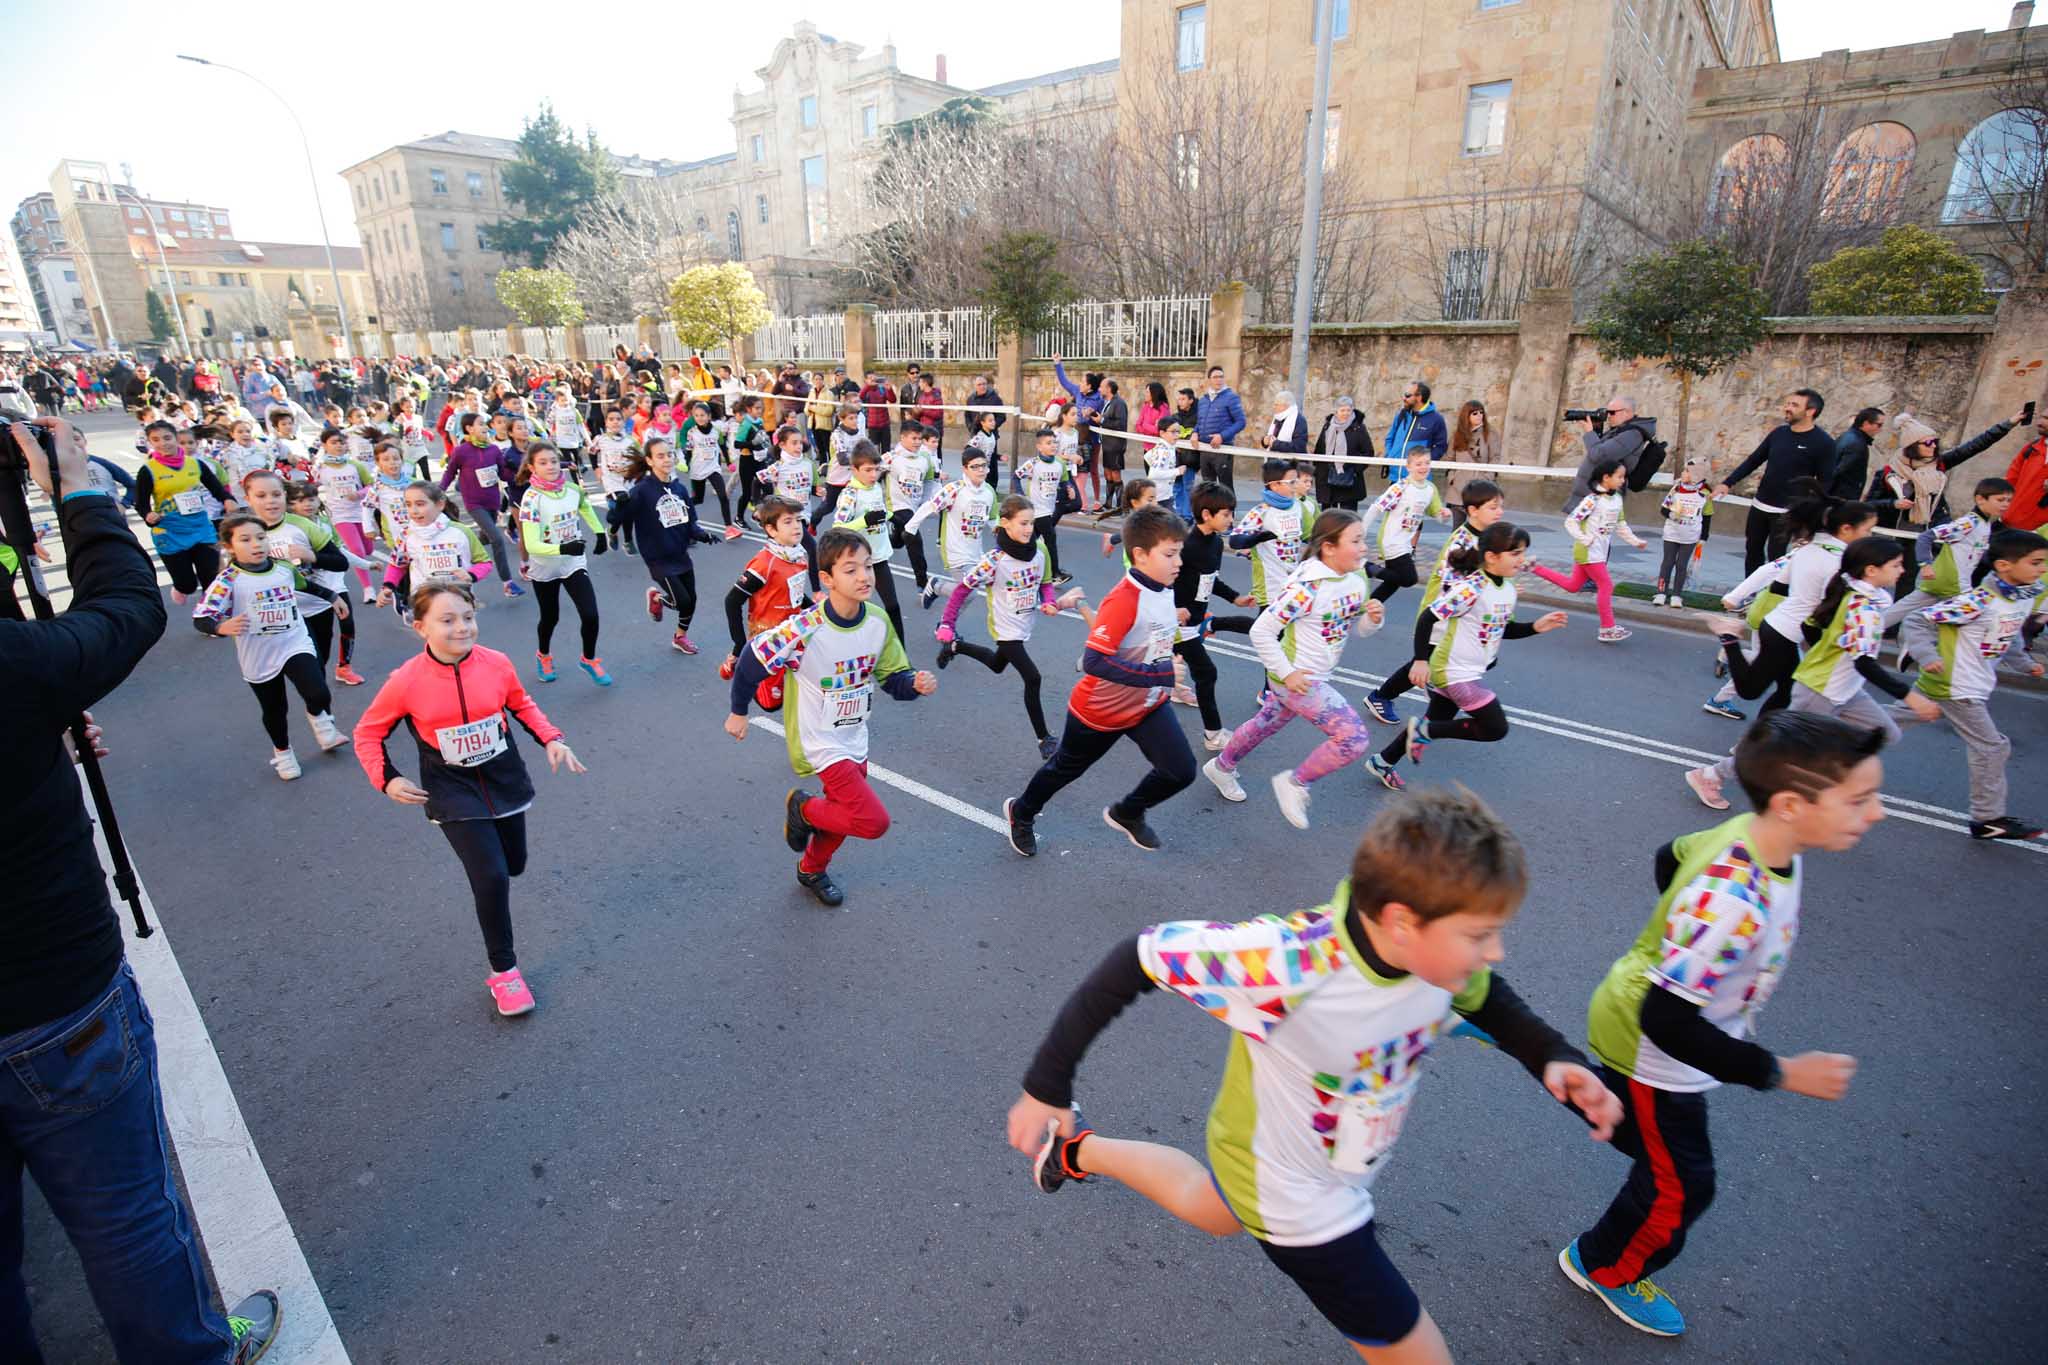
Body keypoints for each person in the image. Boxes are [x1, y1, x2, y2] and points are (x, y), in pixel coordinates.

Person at [1007, 788, 1621, 1364]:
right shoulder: (1290, 964)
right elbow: (1137, 959)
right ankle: (1073, 1141)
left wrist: (1551, 1054)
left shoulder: (1435, 957)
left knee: (1211, 1208)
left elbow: (1489, 999)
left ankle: (1076, 1152)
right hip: (1294, 1199)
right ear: (1403, 922)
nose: (1495, 952)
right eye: (1480, 936)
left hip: (1293, 1159)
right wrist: (1047, 1084)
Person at [2, 415, 282, 1365]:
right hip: (51, 995)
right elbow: (125, 606)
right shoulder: (14, 661)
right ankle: (195, 1353)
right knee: (127, 1217)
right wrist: (77, 489)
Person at [1565, 712, 1878, 1339]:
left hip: (1644, 1008)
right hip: (1655, 1047)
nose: (1876, 814)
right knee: (1683, 1185)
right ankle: (1604, 1266)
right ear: (1791, 804)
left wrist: (1680, 932)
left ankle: (1553, 1065)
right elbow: (1668, 1022)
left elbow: (1671, 855)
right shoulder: (1736, 901)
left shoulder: (1755, 832)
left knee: (1647, 1141)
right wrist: (1783, 1072)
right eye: (1861, 801)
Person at [354, 580, 586, 1017]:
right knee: (492, 877)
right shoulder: (406, 681)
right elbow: (368, 732)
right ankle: (505, 973)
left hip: (503, 781)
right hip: (451, 792)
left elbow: (521, 705)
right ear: (420, 627)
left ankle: (501, 895)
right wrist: (385, 779)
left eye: (467, 617)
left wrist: (553, 740)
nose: (462, 628)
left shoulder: (496, 663)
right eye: (447, 620)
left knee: (513, 864)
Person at [725, 527, 936, 907]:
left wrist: (913, 684)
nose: (864, 577)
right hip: (818, 741)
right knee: (872, 821)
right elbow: (750, 662)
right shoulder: (803, 628)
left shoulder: (876, 621)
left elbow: (891, 677)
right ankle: (803, 809)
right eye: (850, 569)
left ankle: (811, 869)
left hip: (854, 736)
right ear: (826, 578)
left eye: (868, 567)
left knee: (843, 814)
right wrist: (738, 712)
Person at [1003, 505, 1195, 857]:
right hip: (1099, 711)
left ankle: (1128, 811)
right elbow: (1094, 661)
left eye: (1179, 553)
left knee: (1181, 770)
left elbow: (1152, 640)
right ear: (1139, 555)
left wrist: (1175, 645)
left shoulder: (1164, 588)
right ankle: (1022, 811)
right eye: (1170, 554)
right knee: (1064, 769)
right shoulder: (1124, 599)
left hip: (1148, 705)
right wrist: (1160, 673)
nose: (1178, 561)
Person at [1201, 509, 1383, 826]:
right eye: (1355, 541)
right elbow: (1261, 631)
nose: (1363, 548)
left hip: (1308, 676)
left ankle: (1221, 766)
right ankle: (1295, 783)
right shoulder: (1306, 588)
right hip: (1296, 677)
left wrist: (1372, 620)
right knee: (1353, 739)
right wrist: (1287, 673)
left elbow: (1357, 629)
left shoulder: (1356, 580)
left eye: (1363, 540)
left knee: (1264, 724)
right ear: (1329, 547)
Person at [1890, 528, 2048, 840]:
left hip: (1965, 682)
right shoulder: (1978, 601)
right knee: (1992, 746)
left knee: (1890, 722)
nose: (2042, 569)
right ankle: (1987, 819)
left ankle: (1829, 744)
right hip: (1955, 684)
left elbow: (2011, 633)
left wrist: (2025, 664)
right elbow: (1918, 620)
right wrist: (1926, 654)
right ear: (2004, 566)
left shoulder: (2024, 595)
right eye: (2036, 562)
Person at [193, 512, 351, 780]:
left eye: (261, 537)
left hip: (293, 640)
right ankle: (283, 753)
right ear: (230, 547)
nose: (256, 544)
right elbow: (202, 617)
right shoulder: (228, 579)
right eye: (246, 540)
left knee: (318, 691)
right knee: (275, 709)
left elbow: (304, 585)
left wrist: (333, 596)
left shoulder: (283, 567)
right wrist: (220, 627)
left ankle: (319, 718)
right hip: (258, 651)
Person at [935, 494, 1086, 758]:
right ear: (1005, 523)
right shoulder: (993, 561)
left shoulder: (1040, 552)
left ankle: (956, 646)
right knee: (1033, 677)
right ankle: (1044, 739)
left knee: (996, 664)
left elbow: (1046, 583)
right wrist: (947, 623)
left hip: (1024, 622)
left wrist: (1049, 602)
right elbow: (961, 591)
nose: (1029, 529)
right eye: (1023, 523)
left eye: (1031, 524)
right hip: (1004, 628)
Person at [1360, 479, 1507, 726]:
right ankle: (1381, 696)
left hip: (1460, 618)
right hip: (1441, 618)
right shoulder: (1461, 544)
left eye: (1500, 506)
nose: (1500, 512)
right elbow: (1453, 590)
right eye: (1493, 507)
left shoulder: (1484, 539)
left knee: (1475, 660)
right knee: (1424, 661)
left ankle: (1432, 696)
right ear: (1473, 510)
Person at [1789, 536, 1936, 740]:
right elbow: (1865, 665)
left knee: (1887, 734)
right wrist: (1910, 698)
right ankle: (1730, 767)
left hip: (1846, 691)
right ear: (1871, 570)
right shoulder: (1863, 609)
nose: (1902, 571)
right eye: (1896, 565)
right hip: (1819, 692)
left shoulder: (1851, 591)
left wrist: (1824, 652)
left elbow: (1809, 626)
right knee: (1790, 752)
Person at [1865, 409, 2027, 586]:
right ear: (1911, 446)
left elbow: (1975, 445)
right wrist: (1893, 504)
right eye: (1927, 443)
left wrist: (2010, 422)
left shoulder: (1938, 465)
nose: (1933, 446)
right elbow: (1869, 505)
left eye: (1935, 442)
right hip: (1892, 535)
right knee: (1880, 580)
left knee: (1909, 583)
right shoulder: (1888, 474)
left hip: (1922, 535)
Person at [610, 437, 721, 655]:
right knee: (683, 601)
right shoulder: (642, 490)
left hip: (680, 553)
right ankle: (658, 598)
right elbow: (618, 518)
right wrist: (619, 506)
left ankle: (680, 637)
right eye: (660, 456)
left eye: (669, 454)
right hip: (658, 557)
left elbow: (690, 523)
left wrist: (703, 536)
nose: (667, 459)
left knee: (692, 601)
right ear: (649, 461)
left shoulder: (679, 488)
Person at [516, 442, 611, 686]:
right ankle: (543, 655)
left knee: (590, 614)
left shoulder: (571, 489)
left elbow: (585, 508)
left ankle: (589, 659)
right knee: (550, 618)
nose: (550, 466)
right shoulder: (531, 499)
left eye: (554, 461)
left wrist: (599, 532)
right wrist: (561, 548)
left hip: (573, 563)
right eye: (543, 462)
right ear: (531, 467)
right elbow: (532, 543)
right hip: (545, 568)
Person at [1713, 389, 1835, 575]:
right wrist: (1727, 483)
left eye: (1794, 405)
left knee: (1776, 558)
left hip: (1787, 512)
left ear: (1811, 411)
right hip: (1760, 504)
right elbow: (1754, 460)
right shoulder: (1779, 433)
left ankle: (1770, 598)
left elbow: (1825, 483)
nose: (1787, 408)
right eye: (1788, 403)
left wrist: (1810, 519)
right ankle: (1747, 595)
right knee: (1752, 551)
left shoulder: (1824, 443)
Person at [1530, 457, 1646, 643]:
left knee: (1573, 586)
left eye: (1623, 477)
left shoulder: (1616, 499)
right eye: (1619, 476)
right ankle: (1607, 629)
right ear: (1605, 478)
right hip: (1588, 552)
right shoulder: (1591, 501)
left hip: (1599, 551)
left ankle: (1533, 568)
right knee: (1606, 585)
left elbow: (1621, 524)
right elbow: (1570, 521)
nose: (1623, 480)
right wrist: (1585, 539)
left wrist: (1635, 541)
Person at [133, 419, 234, 603]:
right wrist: (148, 515)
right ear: (150, 443)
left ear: (175, 438)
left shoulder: (195, 464)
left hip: (201, 528)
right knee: (186, 584)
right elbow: (140, 503)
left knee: (210, 578)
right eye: (156, 440)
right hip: (170, 531)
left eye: (167, 437)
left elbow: (216, 488)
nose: (163, 443)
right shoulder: (148, 470)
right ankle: (181, 587)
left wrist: (228, 500)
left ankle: (210, 617)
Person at [720, 497, 813, 679]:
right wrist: (739, 644)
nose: (796, 526)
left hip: (793, 631)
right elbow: (732, 601)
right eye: (788, 522)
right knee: (769, 704)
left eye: (798, 520)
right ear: (771, 529)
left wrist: (816, 612)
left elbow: (795, 593)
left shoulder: (798, 555)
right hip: (767, 639)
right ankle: (737, 662)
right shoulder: (764, 564)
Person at [830, 443, 908, 644]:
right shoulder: (850, 495)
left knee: (893, 607)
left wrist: (895, 520)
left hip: (879, 558)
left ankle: (902, 656)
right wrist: (864, 521)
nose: (873, 475)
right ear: (854, 470)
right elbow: (838, 528)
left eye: (876, 469)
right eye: (867, 470)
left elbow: (879, 510)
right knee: (854, 610)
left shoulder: (875, 488)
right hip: (859, 563)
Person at [439, 413, 522, 597]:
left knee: (484, 538)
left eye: (486, 424)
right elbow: (449, 473)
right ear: (469, 429)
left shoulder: (493, 450)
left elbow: (503, 475)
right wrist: (438, 492)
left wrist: (521, 476)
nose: (485, 427)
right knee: (497, 539)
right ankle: (508, 584)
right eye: (481, 424)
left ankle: (468, 549)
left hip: (493, 502)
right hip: (474, 503)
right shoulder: (461, 451)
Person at [906, 445, 998, 610]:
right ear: (965, 469)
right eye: (974, 466)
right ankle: (941, 607)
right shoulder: (954, 489)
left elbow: (993, 520)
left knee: (965, 595)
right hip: (955, 551)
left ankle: (938, 594)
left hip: (976, 552)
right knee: (969, 593)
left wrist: (1006, 542)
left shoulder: (989, 491)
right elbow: (930, 506)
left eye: (983, 465)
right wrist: (910, 528)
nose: (980, 470)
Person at [1359, 446, 1450, 607]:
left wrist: (1443, 514)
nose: (1423, 467)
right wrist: (1362, 531)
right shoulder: (1400, 487)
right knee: (1409, 579)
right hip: (1391, 540)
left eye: (1427, 463)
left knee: (1393, 581)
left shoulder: (1430, 489)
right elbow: (1376, 507)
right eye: (1418, 464)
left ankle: (1368, 606)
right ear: (1408, 466)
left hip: (1406, 543)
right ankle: (1366, 568)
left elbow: (1436, 514)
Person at [1563, 397, 1653, 510]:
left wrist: (1590, 432)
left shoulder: (1632, 434)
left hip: (1601, 498)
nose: (1608, 416)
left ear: (1626, 412)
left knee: (1593, 526)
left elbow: (1598, 456)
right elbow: (1599, 449)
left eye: (1612, 412)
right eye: (1607, 412)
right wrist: (1596, 431)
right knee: (1577, 525)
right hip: (1592, 494)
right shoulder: (1620, 430)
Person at [1652, 458, 1714, 608]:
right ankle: (1661, 592)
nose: (1683, 473)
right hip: (1672, 532)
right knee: (1667, 562)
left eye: (1687, 471)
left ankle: (1677, 595)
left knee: (1681, 565)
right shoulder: (1676, 489)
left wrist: (1704, 537)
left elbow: (1707, 516)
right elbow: (1663, 509)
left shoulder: (1705, 493)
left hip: (1691, 535)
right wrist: (1673, 515)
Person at [1310, 396, 1373, 514]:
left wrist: (1354, 470)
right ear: (1336, 411)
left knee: (1347, 516)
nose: (1346, 413)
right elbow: (1319, 450)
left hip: (1349, 478)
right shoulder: (1328, 426)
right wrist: (1318, 470)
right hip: (1328, 477)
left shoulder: (1358, 427)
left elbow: (1368, 452)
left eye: (1348, 410)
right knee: (1328, 515)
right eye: (1342, 410)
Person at [1382, 381, 1447, 485]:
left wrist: (1423, 464)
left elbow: (1441, 446)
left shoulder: (1436, 419)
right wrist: (1391, 455)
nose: (1404, 398)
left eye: (1408, 395)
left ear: (1419, 397)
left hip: (1418, 480)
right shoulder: (1401, 415)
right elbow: (1390, 438)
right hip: (1395, 478)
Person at [1193, 365, 1247, 490]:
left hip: (1222, 449)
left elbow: (1241, 422)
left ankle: (1229, 510)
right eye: (1215, 377)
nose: (1219, 380)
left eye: (1221, 377)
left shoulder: (1231, 397)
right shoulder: (1203, 400)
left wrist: (1222, 436)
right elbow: (1199, 422)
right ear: (1209, 380)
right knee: (1208, 487)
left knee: (1225, 488)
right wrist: (1195, 433)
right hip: (1205, 449)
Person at [1445, 399, 1498, 516]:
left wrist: (1488, 478)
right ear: (1466, 415)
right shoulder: (1457, 435)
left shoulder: (1490, 433)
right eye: (1475, 413)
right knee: (1458, 529)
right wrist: (1452, 478)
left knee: (1479, 526)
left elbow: (1495, 458)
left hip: (1481, 486)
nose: (1479, 416)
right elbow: (1449, 458)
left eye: (1481, 412)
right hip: (1458, 487)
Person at [2000, 405, 2048, 533]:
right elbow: (2010, 481)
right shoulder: (2031, 448)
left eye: (2047, 419)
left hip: (2039, 534)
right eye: (2041, 417)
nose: (2040, 422)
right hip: (2009, 523)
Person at [1829, 407, 1884, 502]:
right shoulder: (1857, 444)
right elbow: (1837, 471)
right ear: (1866, 423)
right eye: (1879, 425)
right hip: (1839, 499)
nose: (1881, 429)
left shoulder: (1849, 436)